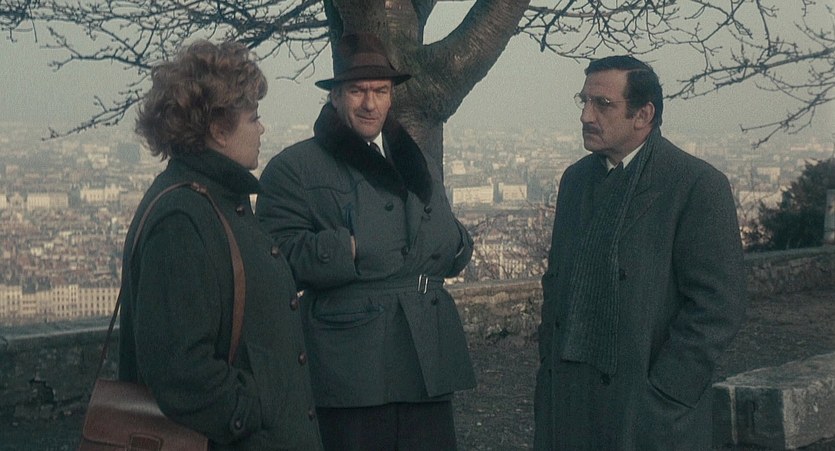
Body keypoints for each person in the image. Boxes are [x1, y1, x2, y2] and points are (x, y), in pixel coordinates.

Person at [256, 32, 475, 450]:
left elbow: (442, 232)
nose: (370, 103)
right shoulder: (294, 168)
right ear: (335, 96)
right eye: (357, 91)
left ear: (392, 97)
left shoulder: (418, 161)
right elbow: (273, 259)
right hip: (350, 364)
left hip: (424, 354)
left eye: (380, 91)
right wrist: (351, 249)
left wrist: (457, 243)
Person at [533, 55, 747, 450]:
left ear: (643, 114)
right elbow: (557, 280)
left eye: (603, 104)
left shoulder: (695, 185)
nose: (585, 115)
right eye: (584, 101)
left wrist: (666, 392)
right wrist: (550, 364)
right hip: (570, 401)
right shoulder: (575, 181)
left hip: (647, 411)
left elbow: (719, 306)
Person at [119, 39, 322, 450]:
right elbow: (180, 370)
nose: (262, 129)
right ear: (217, 129)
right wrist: (257, 410)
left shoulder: (213, 202)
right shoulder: (183, 218)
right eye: (253, 117)